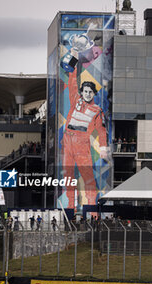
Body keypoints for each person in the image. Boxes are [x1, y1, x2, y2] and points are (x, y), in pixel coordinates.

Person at [62, 49, 109, 208]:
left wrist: (103, 148)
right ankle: (70, 205)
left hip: (82, 143)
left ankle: (92, 207)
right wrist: (74, 56)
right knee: (68, 174)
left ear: (94, 94)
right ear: (82, 92)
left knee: (87, 175)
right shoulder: (76, 99)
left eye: (90, 92)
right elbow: (72, 78)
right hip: (68, 139)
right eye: (85, 91)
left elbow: (102, 130)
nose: (88, 94)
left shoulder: (97, 110)